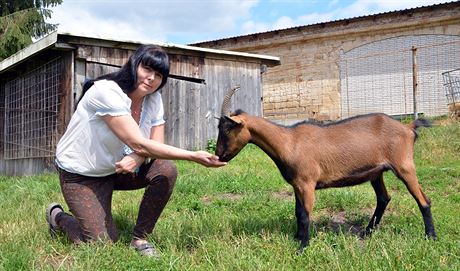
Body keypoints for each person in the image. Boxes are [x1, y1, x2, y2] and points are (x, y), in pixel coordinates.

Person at [46, 44, 226, 257]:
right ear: (133, 65)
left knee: (165, 169)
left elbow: (154, 145)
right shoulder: (106, 91)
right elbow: (140, 143)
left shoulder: (153, 98)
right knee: (101, 246)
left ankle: (140, 238)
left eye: (158, 75)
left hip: (117, 168)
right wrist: (192, 155)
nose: (151, 78)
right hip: (82, 175)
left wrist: (137, 158)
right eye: (147, 69)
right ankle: (58, 217)